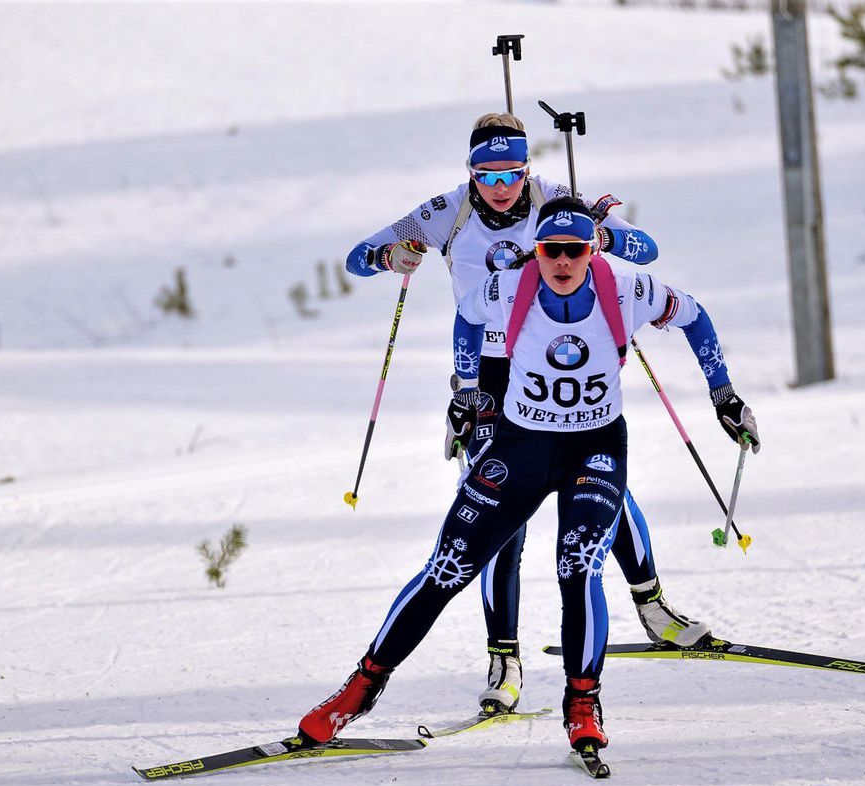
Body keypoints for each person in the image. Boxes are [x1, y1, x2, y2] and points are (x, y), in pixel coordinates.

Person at [301, 197, 760, 755]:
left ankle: (583, 704)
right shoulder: (506, 288)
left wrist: (723, 394)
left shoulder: (628, 289)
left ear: (592, 250)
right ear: (535, 251)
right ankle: (359, 690)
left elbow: (694, 314)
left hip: (594, 449)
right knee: (446, 568)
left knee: (579, 569)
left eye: (574, 251)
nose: (562, 262)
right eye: (550, 251)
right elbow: (467, 317)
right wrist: (467, 392)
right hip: (521, 446)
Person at [345, 114, 707, 715]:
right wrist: (392, 255)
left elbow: (647, 248)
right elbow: (356, 259)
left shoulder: (558, 206)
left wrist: (603, 236)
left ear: (527, 170)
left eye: (511, 173)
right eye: (486, 175)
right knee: (498, 526)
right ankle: (503, 657)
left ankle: (652, 606)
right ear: (470, 173)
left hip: (561, 365)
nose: (500, 187)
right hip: (488, 377)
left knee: (603, 494)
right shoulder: (445, 212)